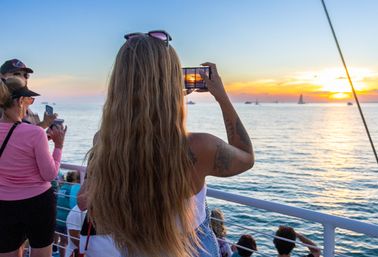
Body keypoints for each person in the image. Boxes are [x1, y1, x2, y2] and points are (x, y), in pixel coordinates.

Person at [84, 30, 255, 257]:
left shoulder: (105, 144)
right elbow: (246, 156)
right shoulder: (199, 148)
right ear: (172, 81)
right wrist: (221, 96)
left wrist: (158, 98)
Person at [0, 77, 66, 257]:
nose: (29, 103)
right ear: (20, 101)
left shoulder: (35, 134)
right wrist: (58, 146)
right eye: (29, 99)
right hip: (37, 203)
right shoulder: (35, 133)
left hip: (4, 205)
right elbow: (49, 174)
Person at [0, 59, 57, 128]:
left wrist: (46, 134)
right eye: (16, 74)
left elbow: (19, 135)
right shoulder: (5, 108)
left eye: (26, 75)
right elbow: (12, 133)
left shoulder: (24, 105)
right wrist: (43, 125)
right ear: (1, 76)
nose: (23, 78)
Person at [55, 171, 81, 257]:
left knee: (62, 240)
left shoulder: (62, 187)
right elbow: (74, 205)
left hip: (57, 218)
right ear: (76, 180)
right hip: (66, 220)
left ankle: (59, 253)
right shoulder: (73, 190)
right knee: (66, 242)